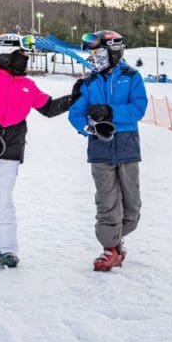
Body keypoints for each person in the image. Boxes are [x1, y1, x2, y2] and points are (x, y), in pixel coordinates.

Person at [0, 33, 79, 268]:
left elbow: (49, 108)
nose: (24, 60)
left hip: (12, 151)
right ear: (2, 56)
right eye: (19, 56)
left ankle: (6, 249)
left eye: (25, 56)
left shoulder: (27, 85)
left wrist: (74, 98)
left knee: (3, 200)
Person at [68, 30, 148, 271]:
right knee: (107, 202)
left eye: (97, 51)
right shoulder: (89, 82)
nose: (93, 57)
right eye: (91, 52)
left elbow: (139, 108)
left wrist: (111, 112)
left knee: (131, 206)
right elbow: (75, 114)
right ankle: (109, 248)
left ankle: (116, 239)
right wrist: (90, 128)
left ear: (113, 51)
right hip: (100, 149)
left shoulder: (131, 77)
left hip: (127, 147)